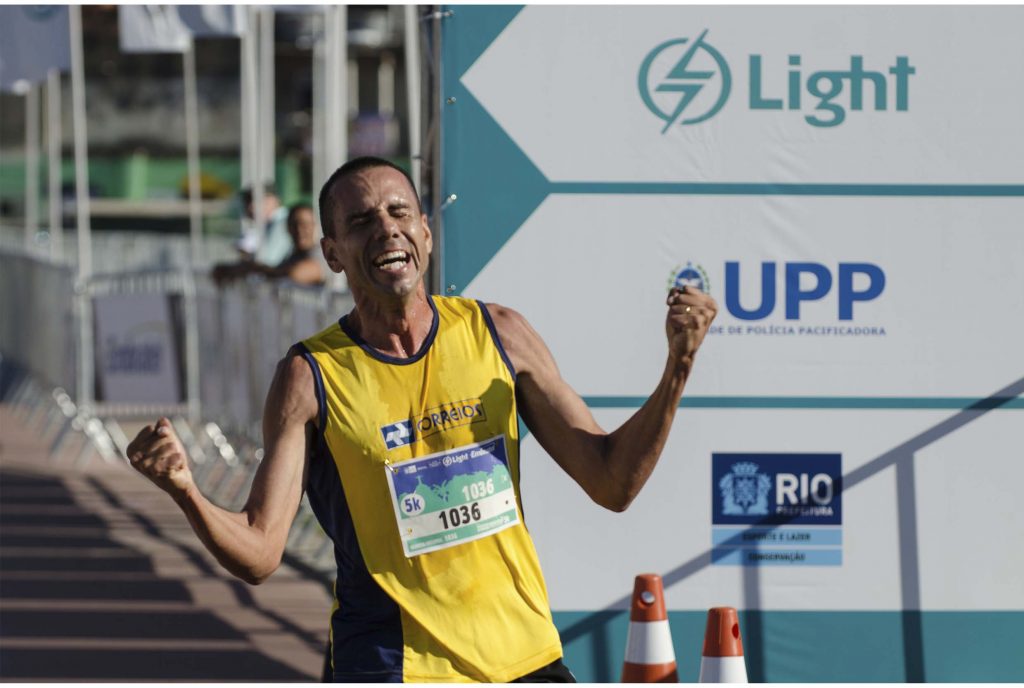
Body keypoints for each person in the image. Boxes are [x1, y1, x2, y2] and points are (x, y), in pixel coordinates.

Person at [126, 156, 718, 682]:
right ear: (331, 252)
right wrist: (185, 491)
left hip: (521, 654)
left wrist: (678, 368)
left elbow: (612, 482)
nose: (386, 227)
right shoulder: (309, 377)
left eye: (399, 211)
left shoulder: (500, 334)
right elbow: (260, 552)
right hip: (391, 664)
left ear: (425, 234)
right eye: (360, 221)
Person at [211, 183, 292, 284]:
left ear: (273, 200)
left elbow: (267, 262)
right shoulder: (268, 225)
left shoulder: (282, 222)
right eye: (248, 200)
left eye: (255, 199)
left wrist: (235, 269)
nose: (250, 206)